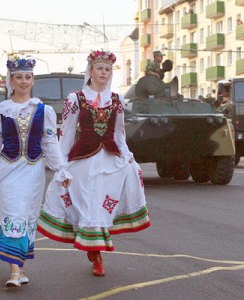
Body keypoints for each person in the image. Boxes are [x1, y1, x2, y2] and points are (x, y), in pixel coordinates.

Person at [38, 50, 151, 277]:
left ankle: (96, 252)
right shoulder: (76, 98)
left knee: (101, 206)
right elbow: (67, 133)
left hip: (109, 160)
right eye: (100, 68)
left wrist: (127, 155)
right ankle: (95, 253)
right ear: (90, 71)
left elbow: (119, 134)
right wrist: (61, 165)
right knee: (87, 205)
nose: (104, 72)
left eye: (107, 69)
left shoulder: (117, 99)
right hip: (84, 160)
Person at [0, 58, 72, 288]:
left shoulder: (43, 110)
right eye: (19, 77)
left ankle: (19, 266)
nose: (24, 81)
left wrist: (61, 168)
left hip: (33, 172)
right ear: (10, 80)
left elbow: (50, 142)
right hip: (7, 169)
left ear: (32, 80)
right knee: (12, 211)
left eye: (27, 77)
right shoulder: (0, 111)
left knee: (24, 215)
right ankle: (14, 271)